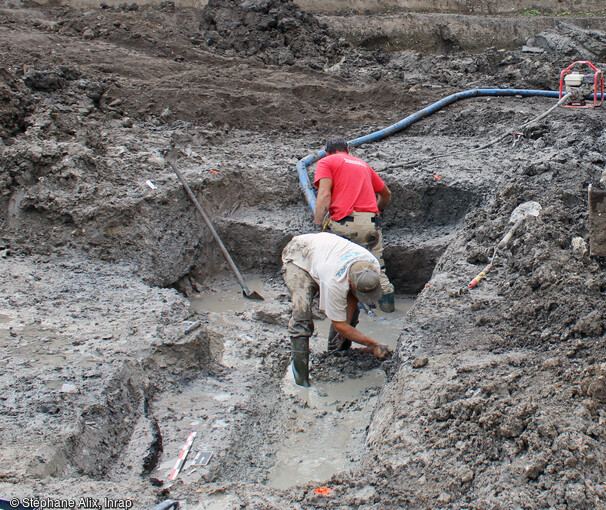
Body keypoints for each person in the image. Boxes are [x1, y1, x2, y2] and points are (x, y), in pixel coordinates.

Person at [282, 232, 392, 387]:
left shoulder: (371, 265)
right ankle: (301, 379)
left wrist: (346, 323)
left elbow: (353, 296)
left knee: (349, 316)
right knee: (302, 313)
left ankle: (337, 358)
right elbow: (339, 325)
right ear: (349, 282)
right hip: (299, 256)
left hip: (323, 254)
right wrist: (373, 344)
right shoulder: (334, 281)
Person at [313, 137, 395, 312]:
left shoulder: (326, 162)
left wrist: (318, 225)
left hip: (345, 225)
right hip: (371, 225)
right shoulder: (362, 164)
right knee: (377, 269)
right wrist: (373, 213)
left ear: (326, 152)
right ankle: (388, 310)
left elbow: (324, 195)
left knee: (340, 269)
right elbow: (386, 194)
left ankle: (342, 312)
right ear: (348, 150)